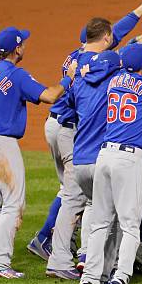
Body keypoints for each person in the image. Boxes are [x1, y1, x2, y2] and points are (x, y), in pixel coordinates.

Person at [0, 26, 76, 278]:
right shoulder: (17, 75)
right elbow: (49, 96)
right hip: (0, 145)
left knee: (0, 202)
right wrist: (68, 78)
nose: (25, 46)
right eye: (23, 44)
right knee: (13, 205)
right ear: (17, 49)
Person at [78, 39, 142, 284]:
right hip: (127, 160)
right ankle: (121, 277)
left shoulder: (113, 80)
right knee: (130, 225)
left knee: (100, 222)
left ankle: (90, 279)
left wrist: (136, 44)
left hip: (104, 155)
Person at [27, 26, 86, 261]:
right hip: (66, 128)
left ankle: (55, 237)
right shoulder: (86, 63)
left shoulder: (74, 55)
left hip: (54, 122)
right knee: (74, 189)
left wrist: (140, 10)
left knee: (68, 187)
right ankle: (45, 238)